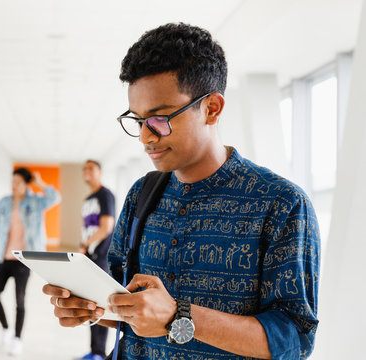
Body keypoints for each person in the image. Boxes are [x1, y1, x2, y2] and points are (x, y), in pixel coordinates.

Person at [43, 23, 320, 360]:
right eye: (138, 120)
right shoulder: (141, 194)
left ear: (212, 108)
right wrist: (91, 308)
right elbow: (122, 301)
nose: (146, 136)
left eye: (160, 119)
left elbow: (293, 341)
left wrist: (180, 315)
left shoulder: (280, 204)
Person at [0, 168, 60, 356]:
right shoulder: (3, 203)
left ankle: (17, 339)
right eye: (12, 181)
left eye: (18, 182)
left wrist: (40, 182)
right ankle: (5, 329)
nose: (14, 185)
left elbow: (55, 198)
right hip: (4, 257)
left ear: (26, 184)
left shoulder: (35, 201)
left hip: (23, 260)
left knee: (19, 300)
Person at [78, 160, 115, 360]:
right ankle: (94, 351)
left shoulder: (104, 195)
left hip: (101, 257)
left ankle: (99, 353)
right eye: (84, 169)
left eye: (91, 168)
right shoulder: (89, 198)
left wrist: (85, 245)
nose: (86, 172)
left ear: (100, 172)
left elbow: (106, 227)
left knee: (99, 304)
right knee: (89, 304)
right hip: (90, 257)